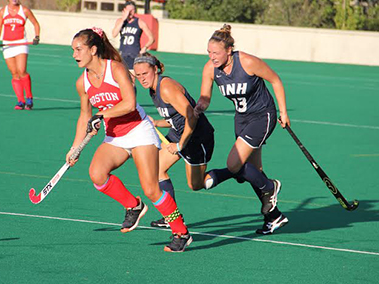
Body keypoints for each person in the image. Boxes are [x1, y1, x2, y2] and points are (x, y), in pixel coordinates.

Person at [67, 27, 192, 252]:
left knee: (152, 188)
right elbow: (85, 115)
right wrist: (75, 147)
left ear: (93, 50)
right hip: (115, 136)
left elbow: (129, 103)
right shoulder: (82, 83)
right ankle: (133, 206)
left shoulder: (115, 69)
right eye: (73, 50)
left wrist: (101, 114)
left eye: (79, 49)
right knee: (97, 174)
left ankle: (181, 232)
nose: (75, 54)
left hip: (139, 131)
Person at [195, 24, 290, 235]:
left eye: (216, 53)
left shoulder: (246, 61)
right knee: (254, 172)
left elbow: (275, 80)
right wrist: (199, 107)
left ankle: (271, 187)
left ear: (229, 50)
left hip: (262, 116)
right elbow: (205, 97)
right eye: (209, 52)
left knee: (234, 163)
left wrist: (283, 112)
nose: (212, 57)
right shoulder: (210, 68)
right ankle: (274, 217)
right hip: (241, 119)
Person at [133, 53, 235, 229]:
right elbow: (176, 118)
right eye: (138, 75)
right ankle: (171, 216)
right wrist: (156, 122)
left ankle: (237, 170)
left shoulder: (165, 88)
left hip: (197, 137)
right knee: (157, 169)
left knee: (197, 184)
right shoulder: (153, 88)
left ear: (155, 69)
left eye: (145, 73)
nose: (142, 78)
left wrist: (180, 145)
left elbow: (192, 117)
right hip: (179, 133)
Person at [0, 0, 41, 110]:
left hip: (21, 44)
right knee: (14, 73)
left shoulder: (24, 10)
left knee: (21, 70)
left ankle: (29, 98)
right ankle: (20, 101)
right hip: (7, 44)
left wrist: (37, 36)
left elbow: (36, 23)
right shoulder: (2, 12)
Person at [112, 0, 155, 71]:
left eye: (132, 10)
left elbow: (151, 38)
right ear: (124, 10)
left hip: (134, 55)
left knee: (131, 78)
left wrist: (145, 48)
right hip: (123, 54)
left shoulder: (140, 22)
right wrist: (123, 19)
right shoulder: (120, 21)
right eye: (128, 10)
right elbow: (114, 34)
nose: (130, 12)